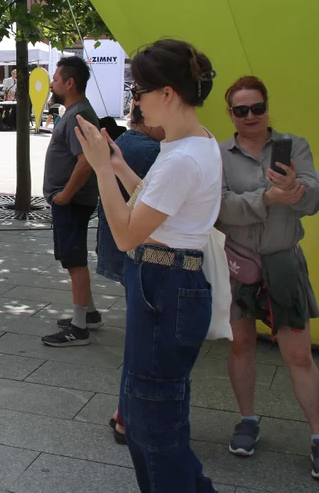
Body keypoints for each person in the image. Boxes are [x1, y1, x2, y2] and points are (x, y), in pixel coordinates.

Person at [74, 38, 220, 493]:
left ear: (167, 94)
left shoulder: (183, 156)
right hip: (167, 280)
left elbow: (126, 234)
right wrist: (119, 168)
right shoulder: (194, 144)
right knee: (154, 415)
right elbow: (158, 208)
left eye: (138, 91)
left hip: (165, 283)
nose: (134, 102)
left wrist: (99, 169)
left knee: (151, 422)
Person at [218, 76, 319, 482]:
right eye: (241, 110)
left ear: (267, 107)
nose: (251, 117)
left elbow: (316, 199)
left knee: (299, 355)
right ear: (230, 113)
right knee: (241, 346)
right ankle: (247, 420)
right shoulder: (219, 154)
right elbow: (217, 210)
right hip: (237, 263)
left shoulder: (294, 146)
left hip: (284, 263)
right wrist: (266, 198)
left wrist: (296, 189)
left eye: (257, 108)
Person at [93, 100, 164, 443]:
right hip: (146, 253)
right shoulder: (154, 151)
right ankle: (127, 415)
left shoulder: (125, 144)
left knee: (138, 335)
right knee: (143, 340)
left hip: (127, 250)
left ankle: (125, 412)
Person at [40, 57, 102, 348]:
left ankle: (79, 329)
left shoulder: (79, 115)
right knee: (72, 259)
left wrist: (65, 194)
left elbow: (86, 161)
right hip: (71, 201)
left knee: (75, 261)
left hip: (73, 202)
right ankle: (88, 314)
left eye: (55, 79)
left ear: (69, 83)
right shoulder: (76, 112)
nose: (51, 83)